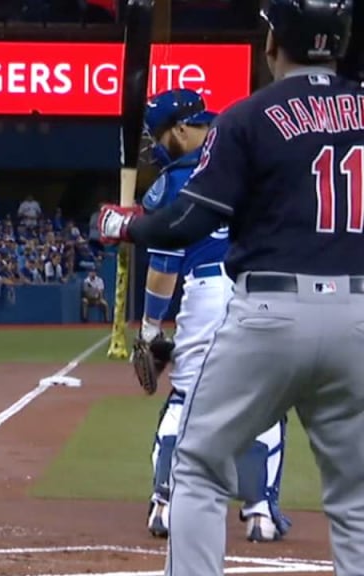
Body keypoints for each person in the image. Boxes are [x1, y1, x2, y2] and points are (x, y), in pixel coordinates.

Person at [97, 1, 363, 573]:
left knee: (197, 466)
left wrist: (125, 226)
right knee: (356, 498)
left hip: (271, 310)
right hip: (360, 318)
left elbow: (186, 223)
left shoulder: (248, 117)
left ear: (273, 46)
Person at [132, 89, 290, 543]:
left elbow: (164, 265)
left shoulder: (173, 181)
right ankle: (259, 515)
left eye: (160, 135)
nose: (157, 145)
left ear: (181, 130)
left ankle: (164, 505)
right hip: (260, 288)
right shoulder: (250, 162)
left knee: (186, 396)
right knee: (262, 400)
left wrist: (148, 329)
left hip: (204, 290)